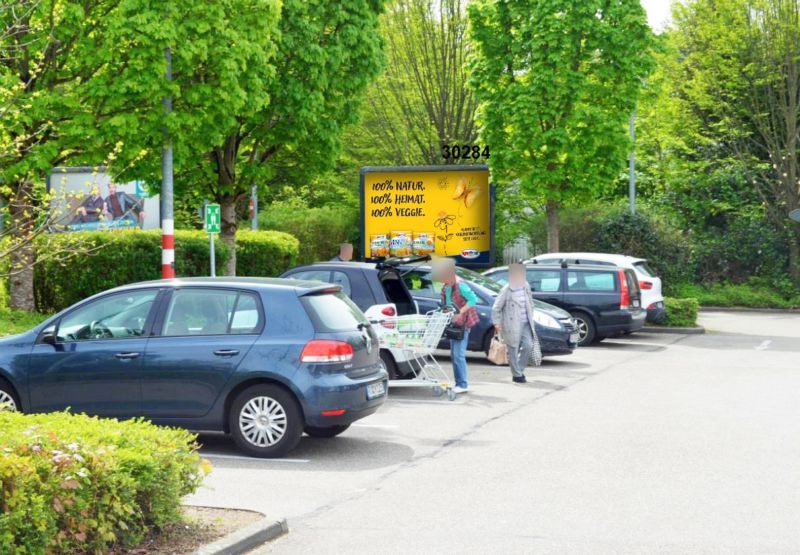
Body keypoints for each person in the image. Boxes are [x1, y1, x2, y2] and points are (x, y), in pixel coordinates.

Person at [433, 258, 479, 394]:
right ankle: (459, 382)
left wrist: (460, 312)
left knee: (458, 355)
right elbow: (446, 303)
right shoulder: (446, 286)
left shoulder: (460, 284)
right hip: (454, 323)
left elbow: (473, 299)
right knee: (455, 354)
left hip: (463, 323)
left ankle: (463, 384)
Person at [492, 263, 541, 383]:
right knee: (513, 348)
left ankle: (519, 369)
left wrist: (531, 314)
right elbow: (496, 308)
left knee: (528, 345)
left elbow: (530, 302)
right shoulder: (506, 289)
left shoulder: (526, 286)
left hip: (526, 322)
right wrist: (497, 323)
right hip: (511, 323)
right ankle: (517, 374)